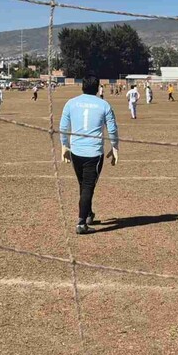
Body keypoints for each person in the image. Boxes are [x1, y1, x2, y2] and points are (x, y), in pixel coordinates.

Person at [60, 74, 119, 235]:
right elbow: (112, 129)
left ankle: (88, 214)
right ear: (98, 87)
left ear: (82, 86)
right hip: (93, 153)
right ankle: (81, 223)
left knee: (84, 185)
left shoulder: (71, 103)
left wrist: (64, 146)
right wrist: (115, 147)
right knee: (87, 186)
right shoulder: (104, 105)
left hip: (76, 152)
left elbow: (64, 126)